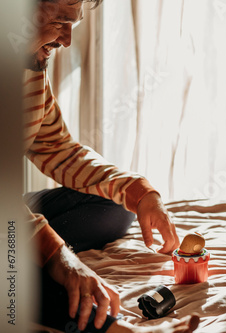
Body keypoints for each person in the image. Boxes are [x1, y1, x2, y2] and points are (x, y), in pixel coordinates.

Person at [24, 0, 197, 332]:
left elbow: (59, 150)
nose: (66, 40)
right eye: (59, 21)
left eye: (71, 23)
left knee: (116, 205)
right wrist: (58, 258)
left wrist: (140, 191)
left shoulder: (28, 70)